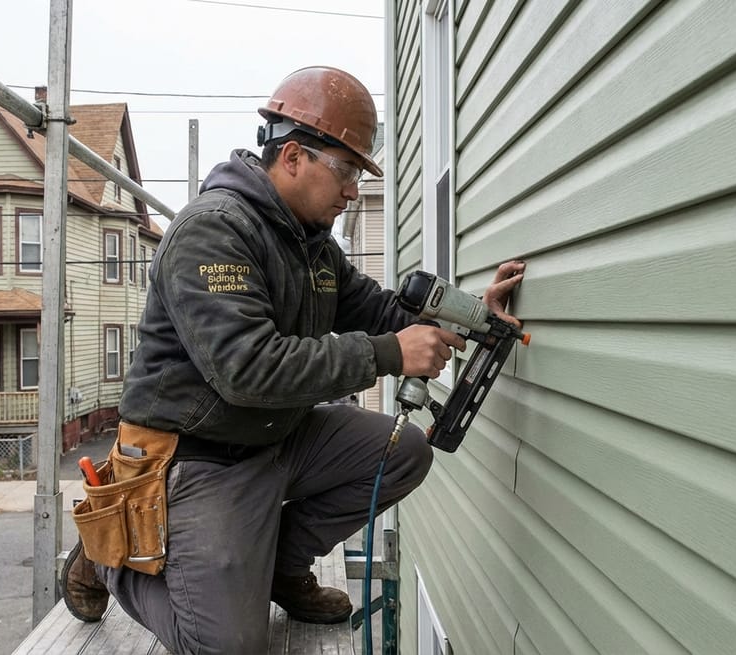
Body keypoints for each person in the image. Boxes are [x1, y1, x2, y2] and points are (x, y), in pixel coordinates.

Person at [60, 65, 526, 654]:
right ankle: (107, 553)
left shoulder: (312, 243)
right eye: (348, 172)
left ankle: (282, 565)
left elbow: (380, 312)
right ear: (295, 157)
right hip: (198, 455)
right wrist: (388, 356)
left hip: (278, 436)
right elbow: (246, 370)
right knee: (228, 646)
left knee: (403, 451)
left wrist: (469, 316)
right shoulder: (213, 233)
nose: (353, 190)